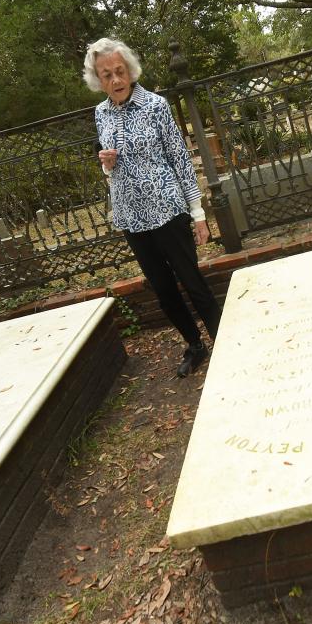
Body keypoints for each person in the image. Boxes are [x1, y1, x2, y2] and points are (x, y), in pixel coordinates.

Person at [83, 37, 221, 377]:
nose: (115, 80)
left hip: (167, 210)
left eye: (119, 71)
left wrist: (198, 214)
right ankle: (195, 345)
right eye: (106, 75)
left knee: (192, 281)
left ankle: (226, 340)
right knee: (162, 289)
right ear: (97, 80)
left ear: (129, 71)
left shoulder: (156, 106)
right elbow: (110, 168)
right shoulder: (100, 114)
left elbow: (180, 160)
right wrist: (106, 163)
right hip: (131, 216)